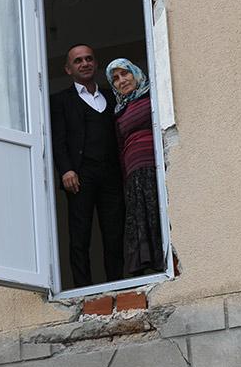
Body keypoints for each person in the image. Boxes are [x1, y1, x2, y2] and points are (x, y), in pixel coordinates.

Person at [50, 44, 125, 287]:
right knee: (80, 236)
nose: (85, 63)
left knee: (115, 233)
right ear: (68, 69)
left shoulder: (111, 95)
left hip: (111, 174)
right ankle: (84, 289)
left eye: (89, 59)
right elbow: (58, 139)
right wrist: (66, 170)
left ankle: (117, 283)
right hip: (80, 175)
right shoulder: (61, 100)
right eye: (78, 60)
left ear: (95, 63)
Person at [105, 58, 164, 276]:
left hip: (154, 167)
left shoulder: (152, 97)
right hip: (133, 174)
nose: (122, 81)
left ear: (135, 73)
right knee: (140, 219)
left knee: (159, 215)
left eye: (125, 74)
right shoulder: (119, 110)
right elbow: (120, 147)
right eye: (116, 78)